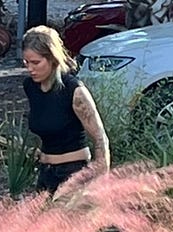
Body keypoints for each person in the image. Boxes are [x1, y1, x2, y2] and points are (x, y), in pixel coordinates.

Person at [22, 25, 110, 194]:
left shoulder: (74, 91)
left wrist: (100, 185)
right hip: (45, 174)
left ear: (53, 59)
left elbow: (100, 139)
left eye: (36, 63)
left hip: (73, 173)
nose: (30, 69)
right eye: (26, 62)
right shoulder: (30, 86)